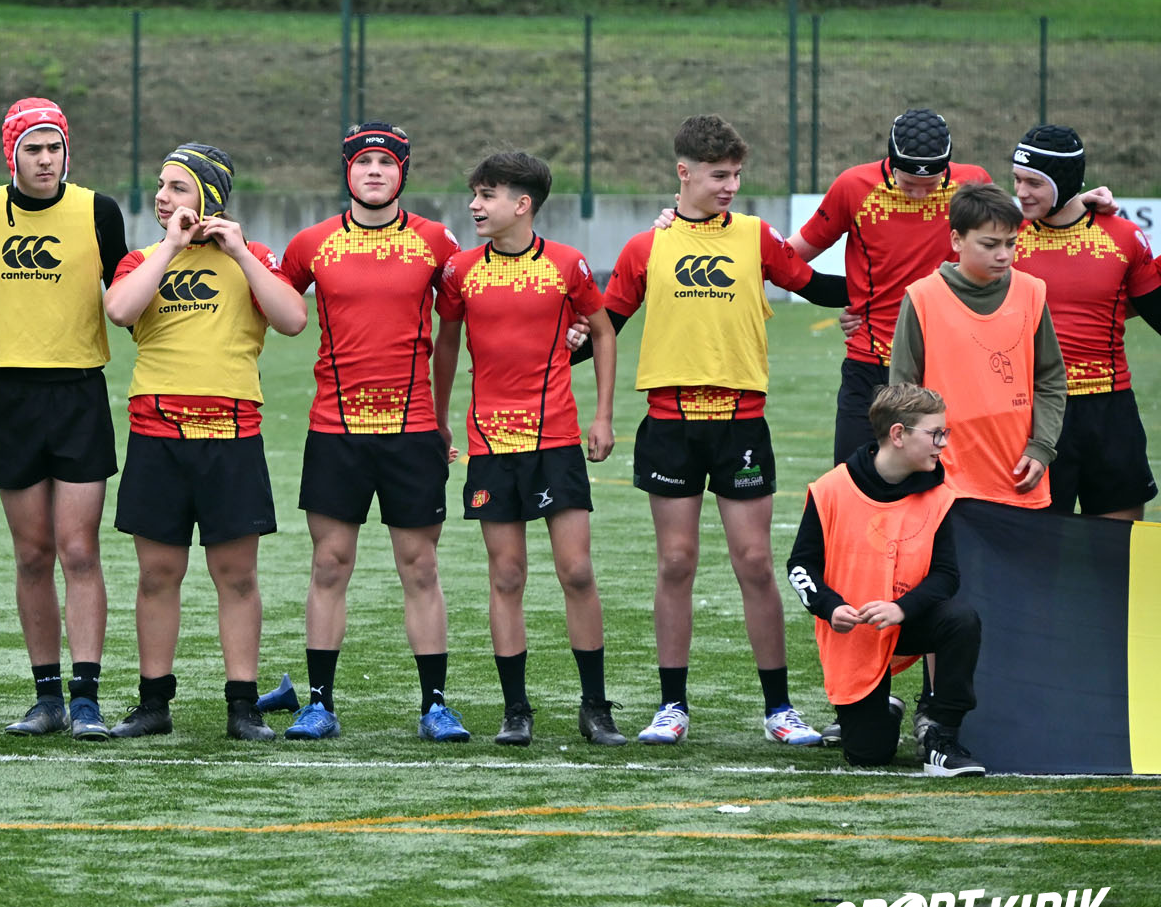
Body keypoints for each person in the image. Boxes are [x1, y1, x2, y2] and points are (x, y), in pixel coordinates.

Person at [600, 115, 846, 747]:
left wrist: (897, 288)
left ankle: (780, 710)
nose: (730, 186)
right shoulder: (644, 247)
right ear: (684, 173)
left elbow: (816, 286)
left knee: (756, 563)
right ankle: (671, 707)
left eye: (736, 174)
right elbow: (604, 326)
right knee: (675, 562)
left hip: (741, 424)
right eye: (718, 175)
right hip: (669, 424)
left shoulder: (757, 236)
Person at [260, 121, 466, 742]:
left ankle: (435, 706)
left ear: (403, 172)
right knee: (329, 564)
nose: (374, 171)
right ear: (346, 171)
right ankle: (318, 703)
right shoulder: (311, 244)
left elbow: (481, 295)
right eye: (363, 162)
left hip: (413, 430)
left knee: (420, 566)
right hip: (335, 430)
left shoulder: (436, 241)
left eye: (386, 162)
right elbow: (268, 303)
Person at [103, 143, 307, 741]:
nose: (163, 197)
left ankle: (242, 706)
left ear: (210, 199)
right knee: (157, 575)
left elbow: (293, 319)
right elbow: (119, 310)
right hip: (157, 437)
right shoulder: (143, 258)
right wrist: (171, 246)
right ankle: (153, 704)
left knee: (236, 576)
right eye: (160, 186)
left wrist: (240, 251)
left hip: (232, 438)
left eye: (178, 187)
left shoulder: (254, 257)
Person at [435, 151, 624, 747]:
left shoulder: (567, 264)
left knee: (577, 571)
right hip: (490, 444)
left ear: (522, 205)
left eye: (486, 195)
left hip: (557, 440)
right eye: (474, 194)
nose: (474, 205)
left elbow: (602, 332)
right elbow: (445, 345)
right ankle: (516, 710)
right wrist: (440, 420)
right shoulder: (461, 270)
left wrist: (602, 416)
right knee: (508, 575)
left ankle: (595, 708)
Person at [0, 98, 128, 741]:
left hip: (79, 394)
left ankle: (86, 699)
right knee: (32, 554)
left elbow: (130, 289)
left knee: (79, 550)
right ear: (12, 154)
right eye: (33, 148)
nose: (46, 159)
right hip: (12, 397)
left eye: (55, 147)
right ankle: (47, 697)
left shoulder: (97, 210)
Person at [785, 384, 985, 776]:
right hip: (856, 633)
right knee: (869, 754)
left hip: (909, 620)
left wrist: (900, 609)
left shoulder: (939, 495)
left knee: (961, 620)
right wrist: (830, 607)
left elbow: (946, 576)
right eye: (935, 434)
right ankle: (882, 709)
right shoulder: (830, 490)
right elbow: (800, 567)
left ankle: (940, 734)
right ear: (898, 434)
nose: (943, 443)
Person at [792, 110, 994, 464]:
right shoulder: (854, 187)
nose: (919, 194)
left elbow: (1008, 248)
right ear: (892, 162)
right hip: (870, 365)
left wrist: (1077, 204)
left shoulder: (973, 184)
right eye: (908, 184)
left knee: (940, 485)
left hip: (945, 365)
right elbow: (790, 255)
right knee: (853, 478)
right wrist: (846, 294)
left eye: (930, 185)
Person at [1010, 125, 1161, 520]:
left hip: (1110, 410)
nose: (1021, 192)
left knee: (1116, 547)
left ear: (1063, 182)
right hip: (1034, 410)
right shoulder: (1004, 238)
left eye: (1033, 182)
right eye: (1017, 179)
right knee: (1034, 545)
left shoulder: (1123, 237)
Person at [889, 183, 1065, 510]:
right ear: (957, 240)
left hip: (1019, 477)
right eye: (989, 244)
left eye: (1011, 243)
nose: (1003, 254)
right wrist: (920, 458)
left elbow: (1051, 379)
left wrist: (1042, 447)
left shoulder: (1031, 292)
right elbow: (903, 391)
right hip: (945, 483)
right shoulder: (922, 297)